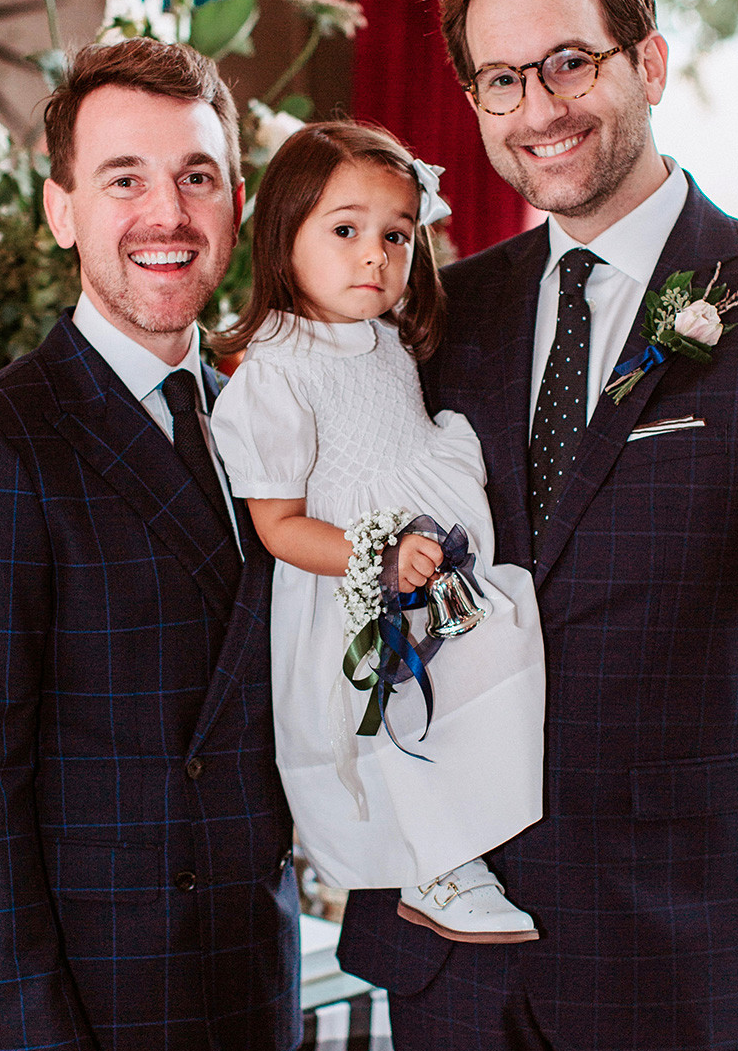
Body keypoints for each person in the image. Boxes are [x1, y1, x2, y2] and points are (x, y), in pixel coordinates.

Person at [337, 0, 738, 1051]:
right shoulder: (441, 318)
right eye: (501, 79)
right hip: (453, 935)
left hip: (676, 939)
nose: (538, 108)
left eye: (568, 62)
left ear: (646, 62)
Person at [0, 36, 301, 1051]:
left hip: (249, 1022)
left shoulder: (263, 422)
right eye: (124, 178)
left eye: (196, 176)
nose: (166, 213)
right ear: (62, 208)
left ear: (235, 201)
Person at [209, 121, 545, 942]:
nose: (375, 256)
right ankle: (433, 864)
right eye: (345, 230)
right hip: (354, 592)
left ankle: (467, 838)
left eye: (395, 235)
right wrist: (377, 557)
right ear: (283, 238)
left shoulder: (388, 338)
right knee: (396, 721)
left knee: (488, 668)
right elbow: (279, 526)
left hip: (431, 563)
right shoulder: (277, 373)